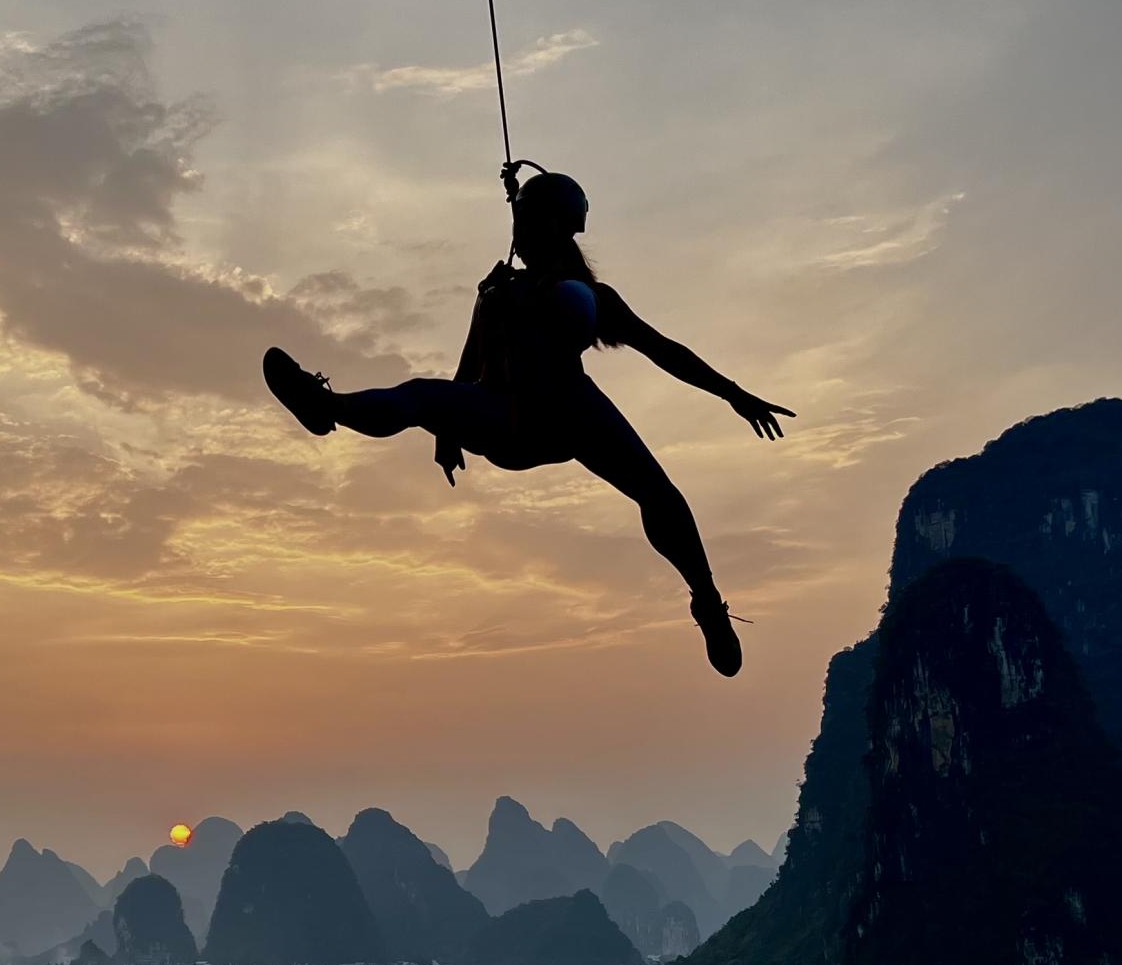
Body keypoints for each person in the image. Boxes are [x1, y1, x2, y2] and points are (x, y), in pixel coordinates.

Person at [263, 166, 792, 676]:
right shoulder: (497, 291)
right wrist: (448, 434)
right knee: (420, 396)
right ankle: (327, 407)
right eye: (523, 219)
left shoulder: (585, 297)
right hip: (512, 415)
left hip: (565, 411)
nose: (524, 230)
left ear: (560, 227)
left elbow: (663, 351)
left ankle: (707, 603)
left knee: (662, 497)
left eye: (534, 219)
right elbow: (467, 366)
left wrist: (734, 394)